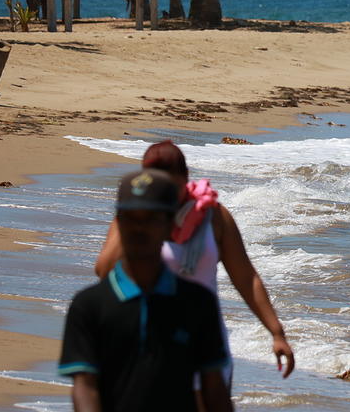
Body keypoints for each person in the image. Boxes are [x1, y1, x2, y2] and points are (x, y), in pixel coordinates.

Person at [94, 140, 295, 390]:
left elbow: (246, 277)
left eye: (171, 187)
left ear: (186, 178)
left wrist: (276, 332)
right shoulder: (134, 217)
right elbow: (104, 270)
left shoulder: (215, 217)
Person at [59, 169, 233, 412]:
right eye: (131, 218)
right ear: (118, 222)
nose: (140, 228)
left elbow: (214, 389)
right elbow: (85, 387)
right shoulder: (88, 306)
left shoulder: (198, 304)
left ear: (170, 224)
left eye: (151, 218)